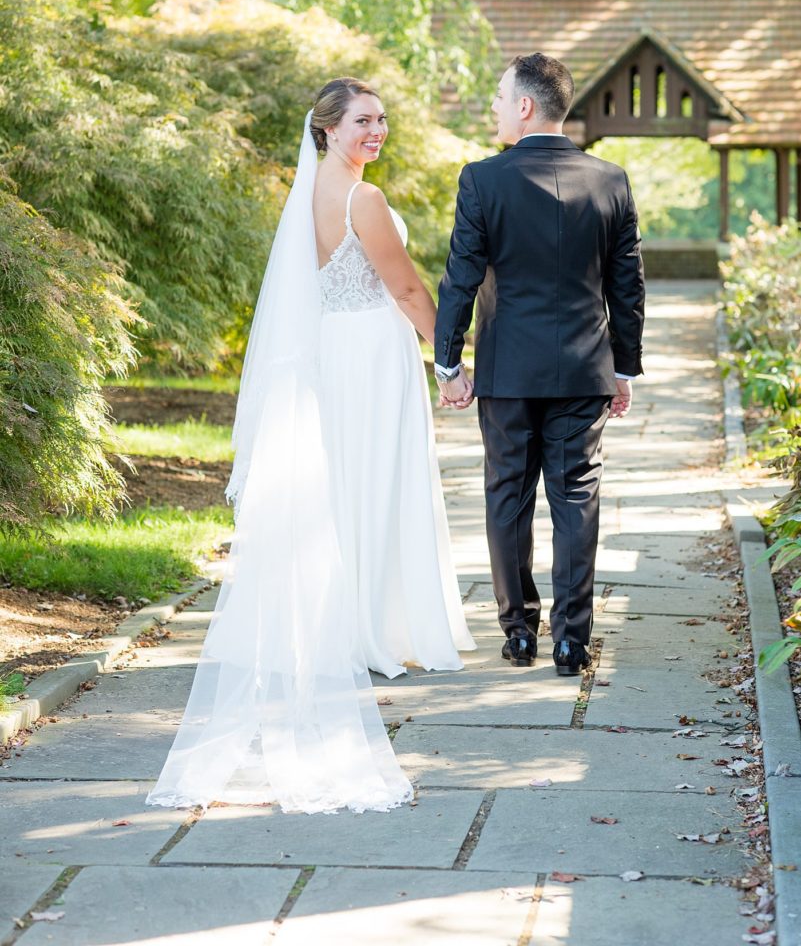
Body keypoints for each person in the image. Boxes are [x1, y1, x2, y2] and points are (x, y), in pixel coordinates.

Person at [145, 78, 473, 817]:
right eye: (362, 121)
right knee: (372, 482)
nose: (376, 131)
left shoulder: (306, 198)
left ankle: (351, 623)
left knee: (345, 486)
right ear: (326, 129)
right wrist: (452, 364)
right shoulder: (364, 200)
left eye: (382, 119)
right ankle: (371, 631)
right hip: (369, 360)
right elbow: (410, 290)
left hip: (332, 354)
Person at [434, 52, 645, 675]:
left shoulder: (482, 180)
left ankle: (519, 631)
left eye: (501, 98)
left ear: (525, 106)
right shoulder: (610, 180)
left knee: (507, 493)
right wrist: (624, 369)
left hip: (507, 370)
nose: (495, 108)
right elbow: (627, 285)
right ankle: (571, 641)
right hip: (584, 367)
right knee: (576, 495)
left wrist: (449, 363)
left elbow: (460, 280)